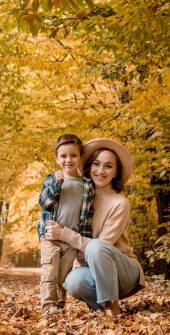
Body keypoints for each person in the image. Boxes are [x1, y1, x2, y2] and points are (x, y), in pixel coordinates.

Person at [45, 138, 145, 316]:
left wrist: (64, 234)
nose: (100, 171)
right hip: (91, 268)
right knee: (73, 281)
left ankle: (112, 305)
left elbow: (101, 245)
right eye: (96, 164)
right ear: (89, 167)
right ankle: (102, 309)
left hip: (124, 272)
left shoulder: (119, 203)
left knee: (96, 246)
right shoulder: (79, 195)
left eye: (108, 166)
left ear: (115, 172)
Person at [37, 134, 94, 314]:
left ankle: (59, 306)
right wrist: (56, 184)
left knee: (63, 274)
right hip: (49, 235)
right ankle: (48, 305)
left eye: (73, 155)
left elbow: (87, 217)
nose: (68, 160)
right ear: (56, 158)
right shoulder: (51, 179)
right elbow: (44, 202)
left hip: (70, 237)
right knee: (49, 271)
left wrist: (83, 243)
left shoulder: (86, 185)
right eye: (63, 156)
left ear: (80, 157)